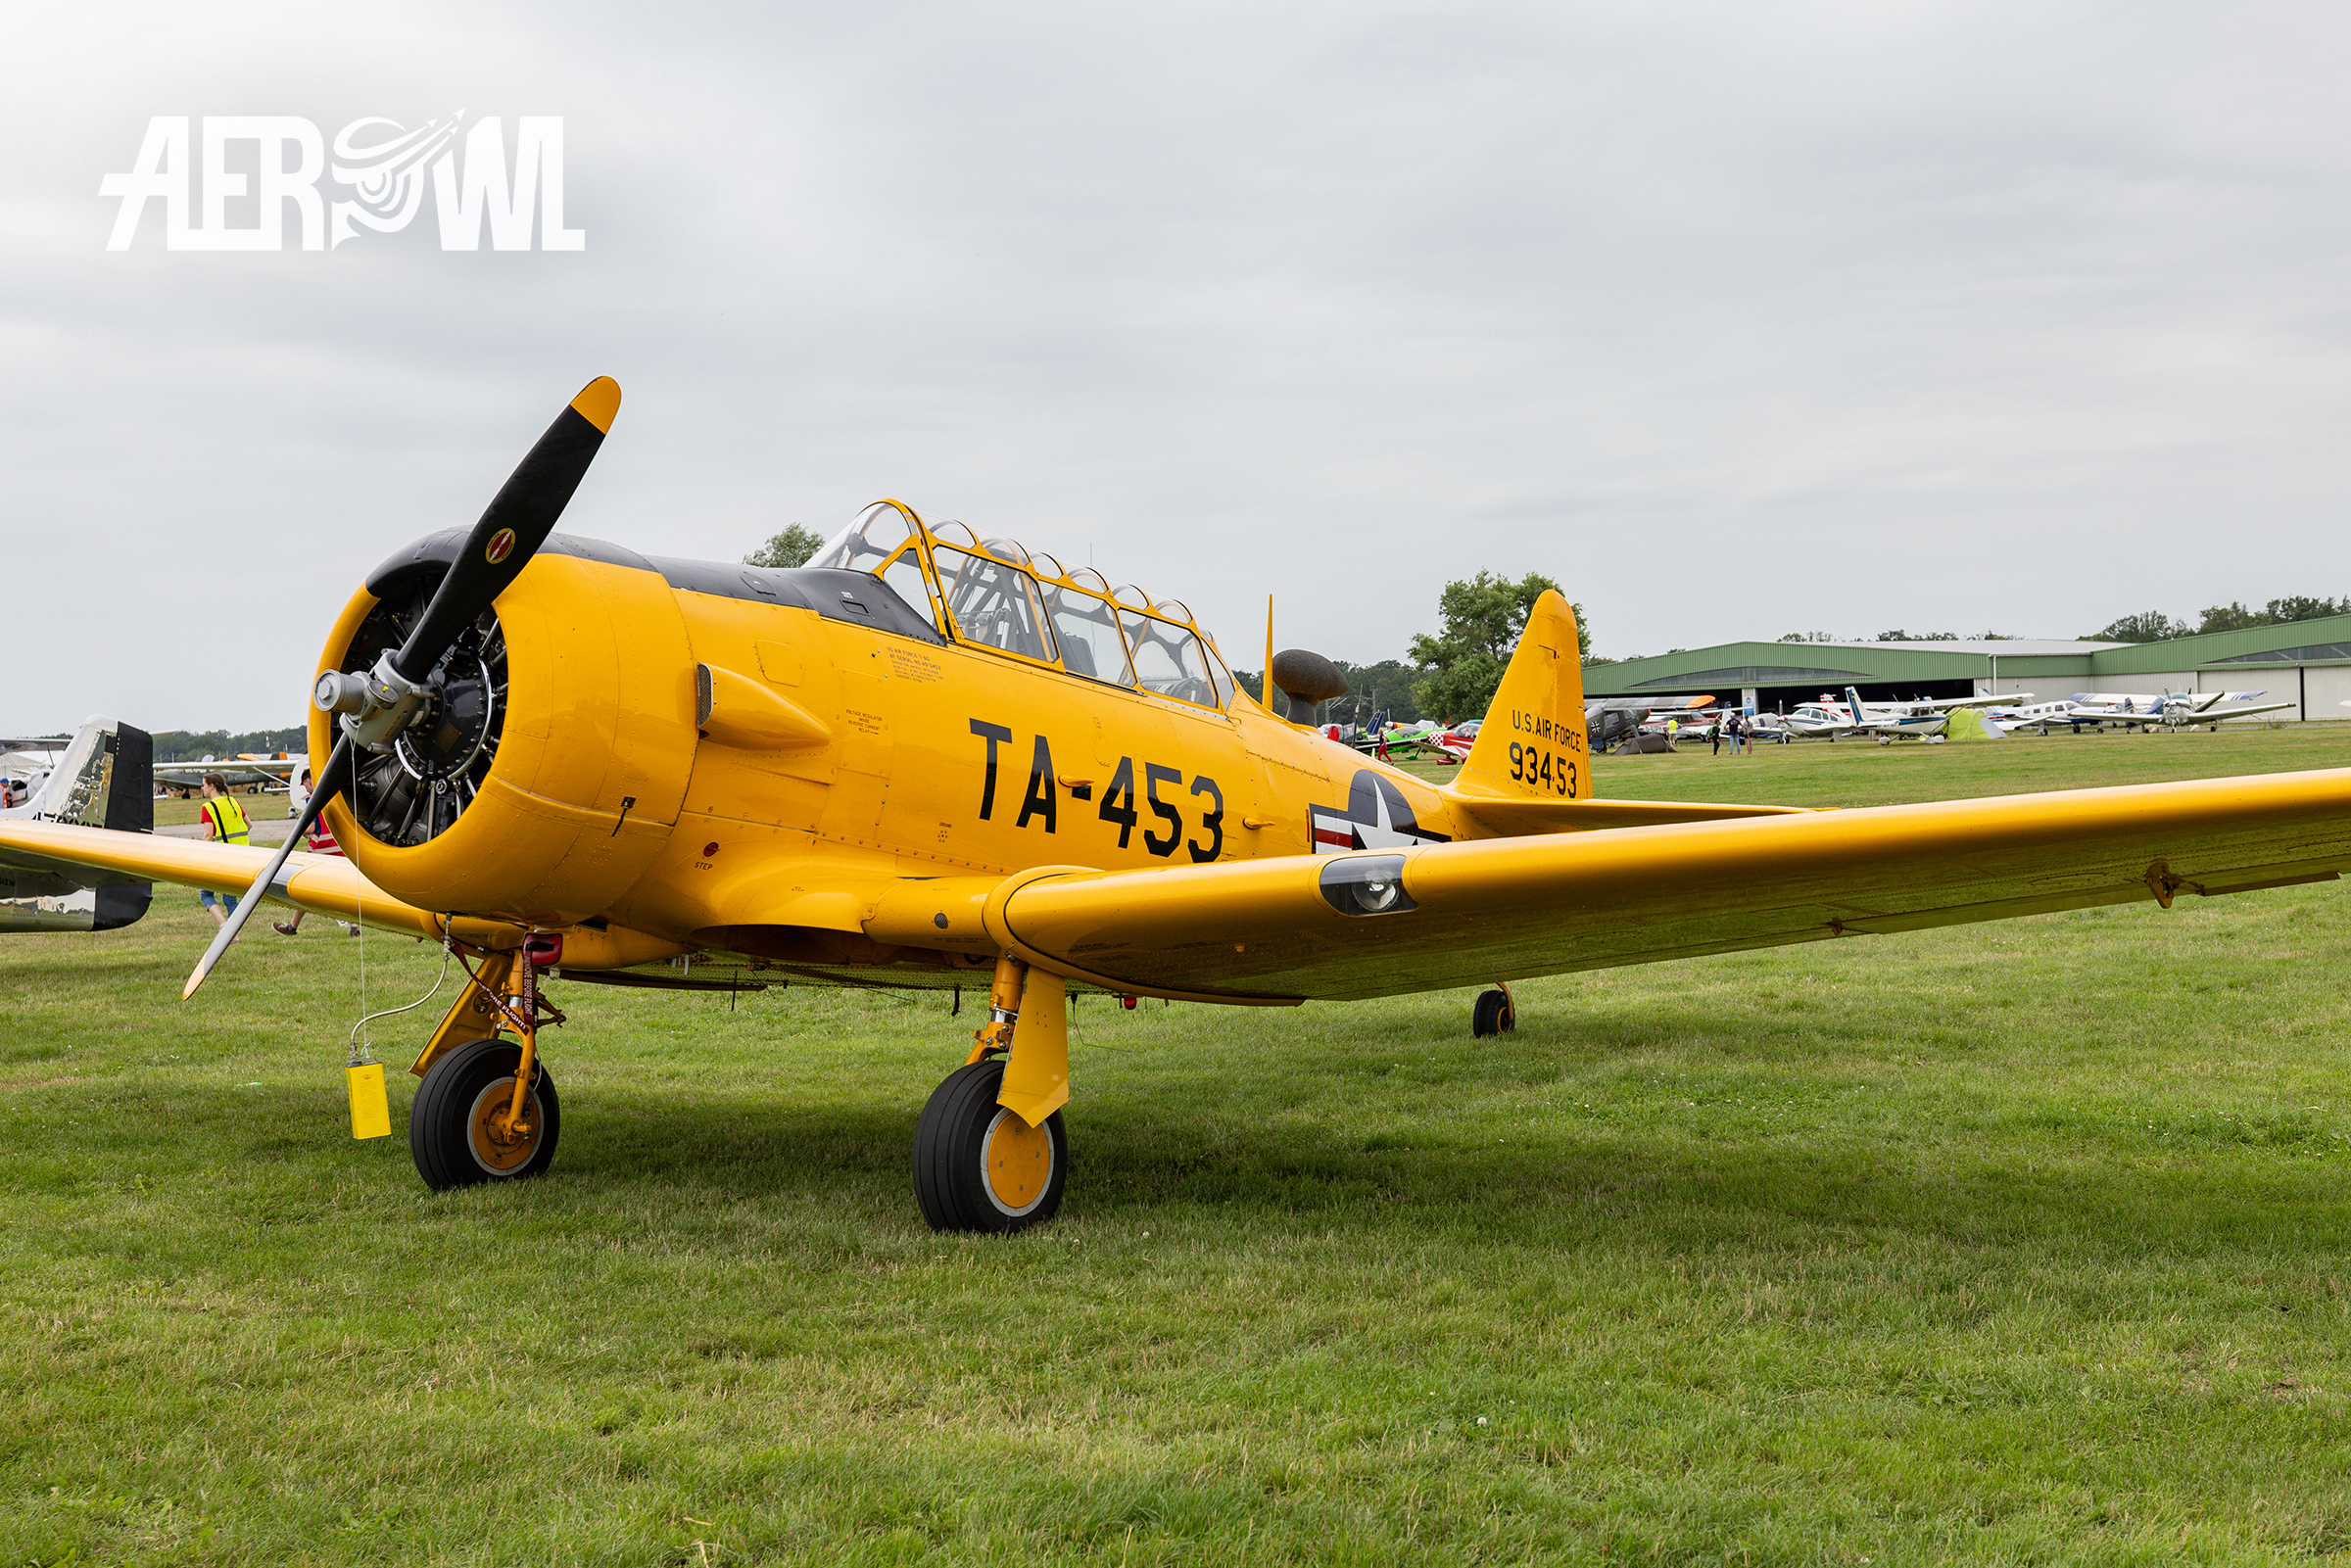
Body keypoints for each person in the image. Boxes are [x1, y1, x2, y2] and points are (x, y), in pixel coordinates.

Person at [272, 768, 359, 937]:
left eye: (305, 785)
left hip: (320, 849)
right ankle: (354, 926)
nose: (306, 788)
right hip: (339, 848)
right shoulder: (335, 795)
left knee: (303, 888)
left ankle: (292, 928)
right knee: (342, 888)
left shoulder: (313, 799)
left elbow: (311, 827)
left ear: (308, 781)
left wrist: (303, 830)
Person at [196, 773, 250, 932]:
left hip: (220, 858)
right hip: (241, 856)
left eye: (204, 785)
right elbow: (249, 824)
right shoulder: (233, 802)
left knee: (205, 893)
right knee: (230, 898)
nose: (202, 788)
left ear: (212, 786)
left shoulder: (208, 807)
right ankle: (234, 933)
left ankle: (224, 925)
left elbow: (208, 836)